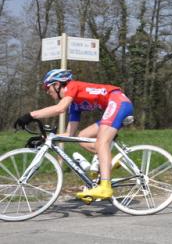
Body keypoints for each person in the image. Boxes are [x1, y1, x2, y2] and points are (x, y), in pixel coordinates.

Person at [13, 69, 134, 201]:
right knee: (82, 137)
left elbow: (59, 108)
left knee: (102, 142)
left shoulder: (72, 86)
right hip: (116, 104)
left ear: (57, 85)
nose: (47, 92)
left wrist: (30, 115)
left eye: (47, 88)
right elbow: (69, 134)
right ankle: (108, 163)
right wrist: (45, 139)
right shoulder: (74, 104)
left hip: (118, 101)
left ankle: (105, 186)